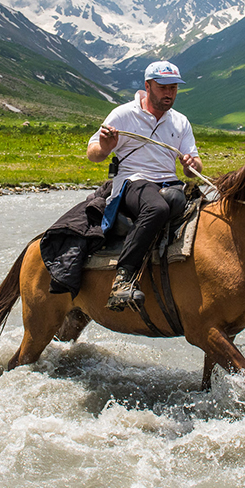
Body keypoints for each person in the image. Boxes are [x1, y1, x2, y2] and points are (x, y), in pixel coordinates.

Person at [86, 60, 203, 311]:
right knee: (157, 209)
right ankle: (123, 279)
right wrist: (106, 146)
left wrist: (191, 164)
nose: (169, 93)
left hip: (170, 182)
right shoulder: (123, 114)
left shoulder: (180, 121)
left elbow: (194, 167)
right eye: (163, 87)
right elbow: (93, 153)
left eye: (173, 88)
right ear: (148, 86)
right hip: (133, 181)